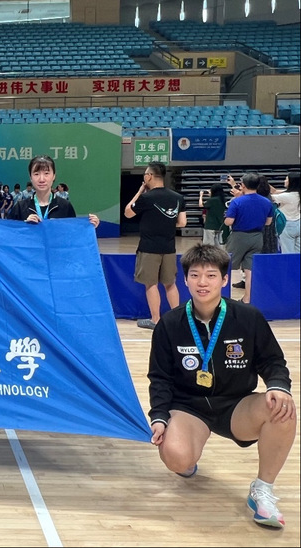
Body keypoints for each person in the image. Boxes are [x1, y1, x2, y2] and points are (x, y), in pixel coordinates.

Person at [147, 243, 295, 529]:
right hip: (188, 407)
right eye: (195, 275)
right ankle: (188, 455)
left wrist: (278, 386)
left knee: (282, 408)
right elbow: (160, 377)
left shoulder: (248, 317)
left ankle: (262, 490)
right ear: (185, 279)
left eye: (211, 275)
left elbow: (273, 361)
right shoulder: (170, 324)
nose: (202, 282)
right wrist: (160, 417)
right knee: (176, 458)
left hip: (236, 405)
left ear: (225, 279)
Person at [124, 161, 187, 330]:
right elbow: (182, 222)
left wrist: (139, 191)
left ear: (149, 176)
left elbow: (128, 213)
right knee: (170, 284)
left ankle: (155, 320)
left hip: (149, 248)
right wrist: (166, 224)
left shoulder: (147, 197)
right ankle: (177, 320)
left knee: (151, 284)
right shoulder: (178, 197)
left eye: (145, 174)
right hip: (169, 248)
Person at [9, 155, 101, 228]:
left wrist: (89, 226)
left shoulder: (65, 206)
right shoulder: (20, 208)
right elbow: (9, 236)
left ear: (53, 176)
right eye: (36, 174)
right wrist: (24, 226)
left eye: (46, 173)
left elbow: (72, 235)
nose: (41, 179)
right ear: (31, 178)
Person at [224, 172, 273, 304]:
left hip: (239, 236)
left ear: (243, 185)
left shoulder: (237, 201)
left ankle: (223, 298)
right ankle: (247, 299)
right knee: (250, 270)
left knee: (226, 265)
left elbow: (229, 221)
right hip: (257, 237)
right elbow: (268, 222)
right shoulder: (267, 202)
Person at [271, 170, 300, 253]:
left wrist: (263, 184)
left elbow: (270, 197)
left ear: (291, 182)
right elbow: (275, 191)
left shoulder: (286, 196)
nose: (284, 181)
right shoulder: (296, 194)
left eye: (286, 179)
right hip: (298, 223)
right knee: (298, 252)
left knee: (287, 252)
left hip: (287, 224)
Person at [198, 183, 228, 248]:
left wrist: (201, 195)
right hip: (220, 225)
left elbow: (201, 205)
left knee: (208, 246)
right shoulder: (223, 200)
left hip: (210, 225)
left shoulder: (211, 200)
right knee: (219, 246)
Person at [256, 176, 279, 254]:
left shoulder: (256, 198)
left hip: (260, 223)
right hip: (270, 222)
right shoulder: (269, 197)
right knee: (270, 242)